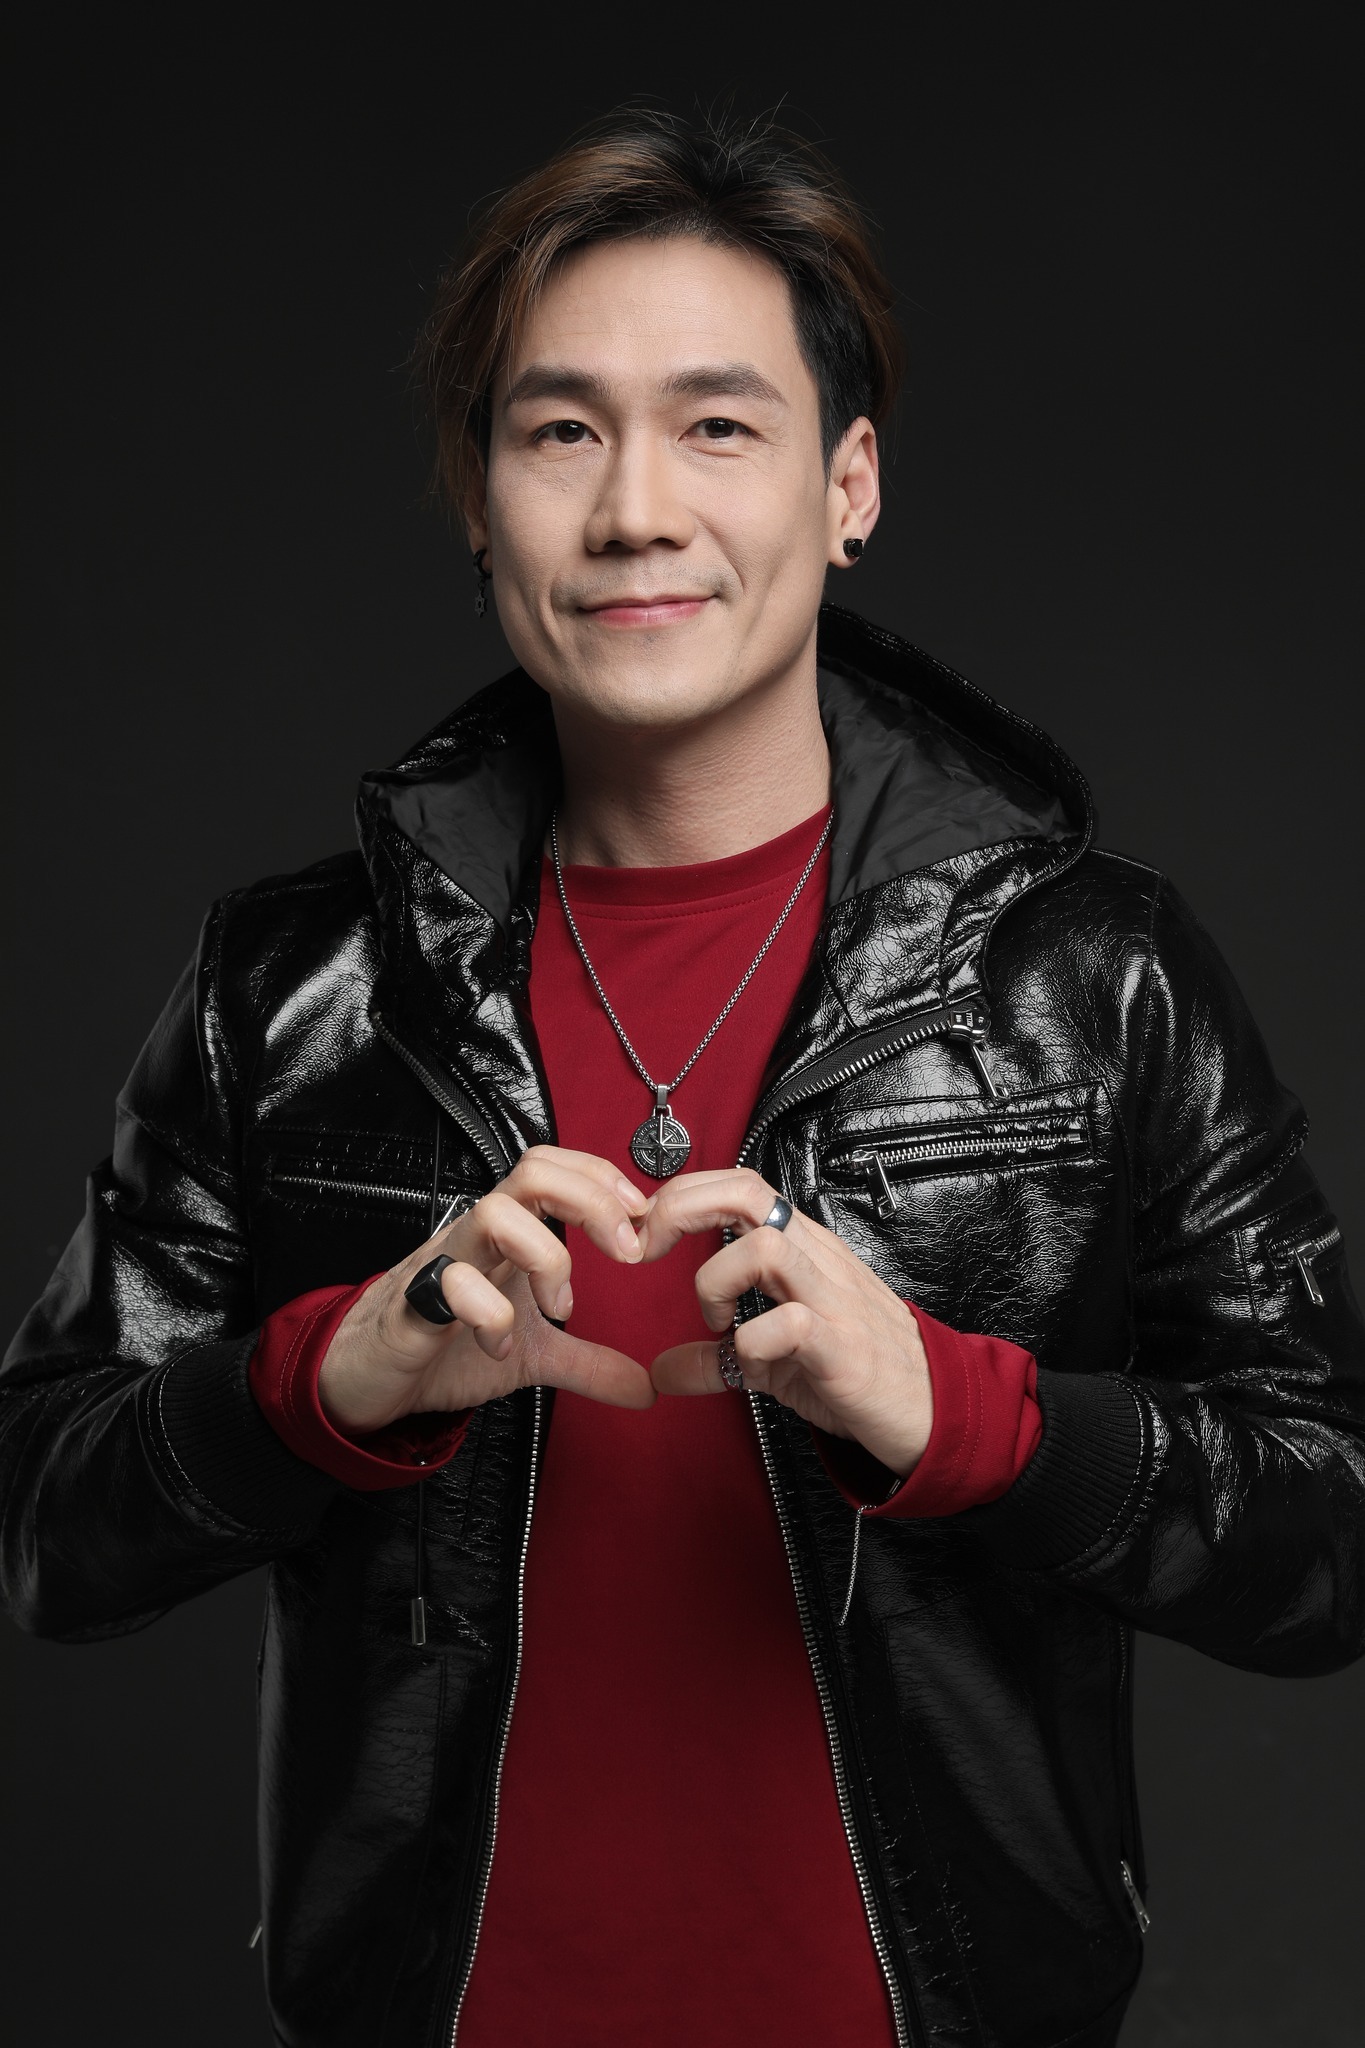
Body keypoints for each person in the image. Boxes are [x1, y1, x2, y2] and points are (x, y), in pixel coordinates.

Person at [3, 106, 1362, 2048]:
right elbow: (46, 1527)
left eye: (717, 425)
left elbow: (1327, 1535)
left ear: (847, 485)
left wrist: (963, 1416)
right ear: (478, 500)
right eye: (559, 431)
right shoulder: (290, 984)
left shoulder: (1093, 973)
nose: (633, 507)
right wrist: (329, 1377)